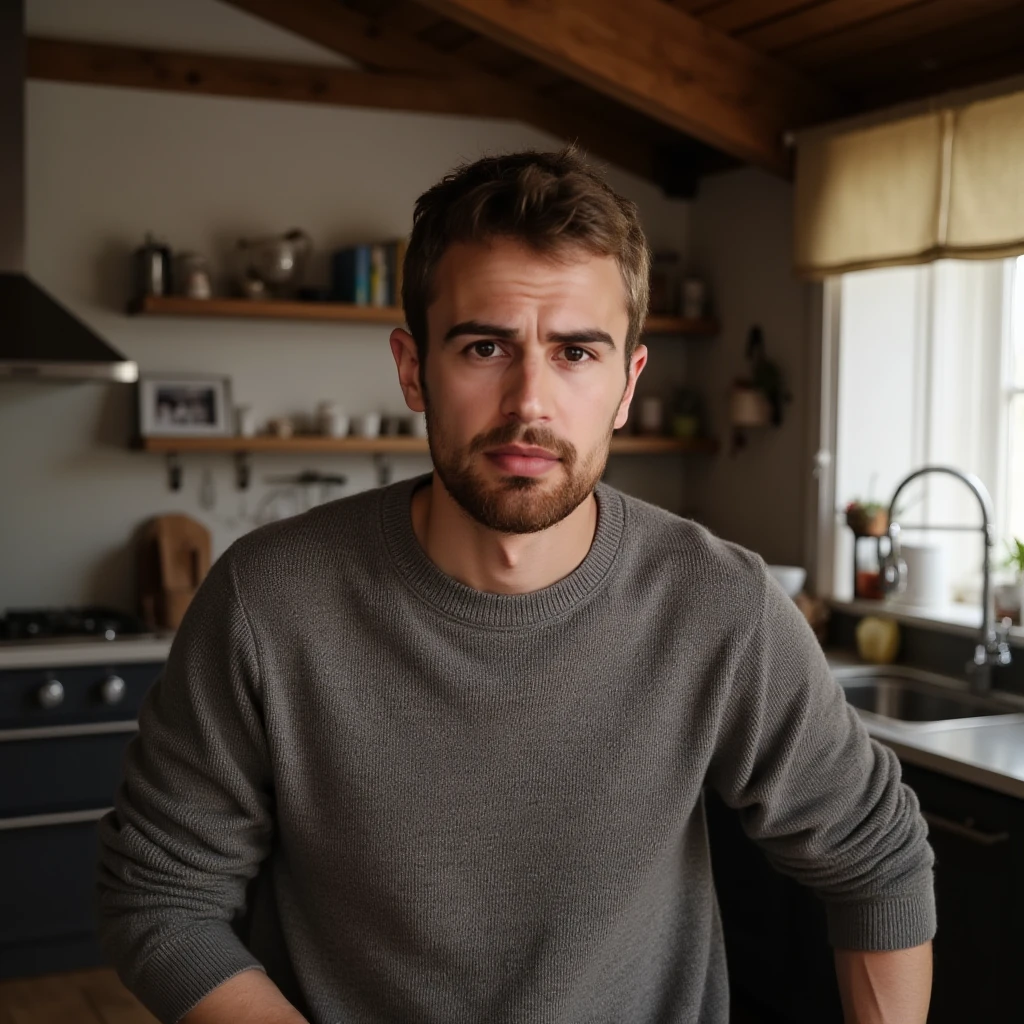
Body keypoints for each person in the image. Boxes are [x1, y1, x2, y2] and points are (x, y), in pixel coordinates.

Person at [96, 147, 935, 1024]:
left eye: (576, 351)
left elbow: (874, 856)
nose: (529, 401)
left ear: (626, 385)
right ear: (413, 367)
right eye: (485, 345)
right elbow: (161, 899)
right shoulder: (267, 603)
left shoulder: (719, 606)